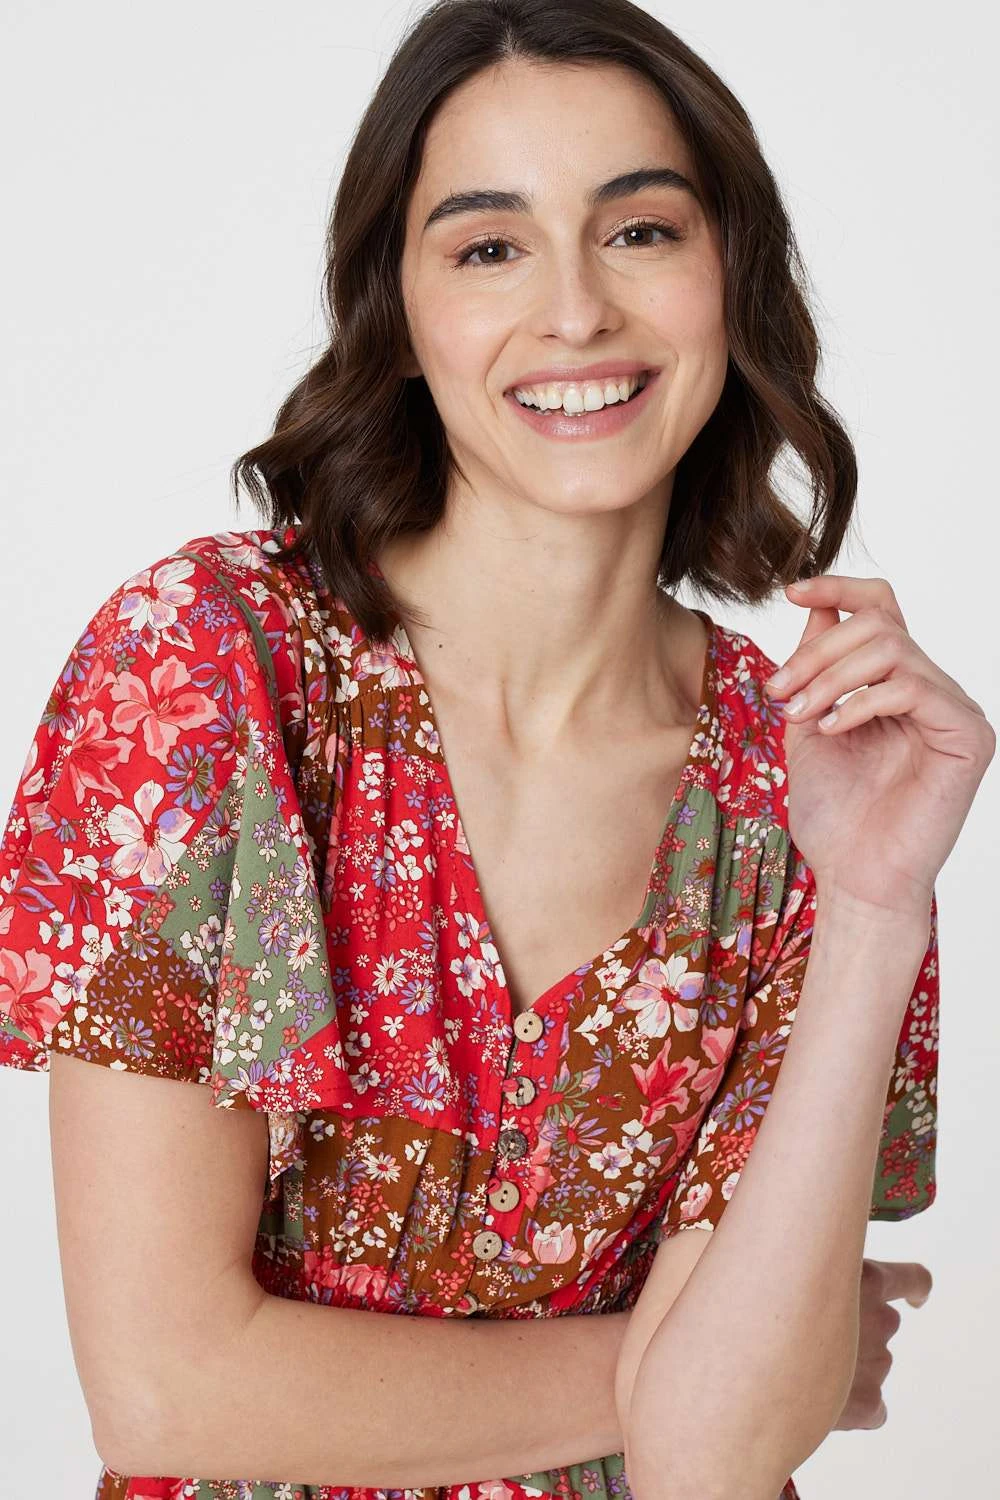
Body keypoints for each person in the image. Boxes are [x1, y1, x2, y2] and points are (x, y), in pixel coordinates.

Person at [0, 2, 992, 1498]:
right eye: (488, 247)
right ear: (398, 313)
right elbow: (165, 1388)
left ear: (734, 276)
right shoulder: (211, 667)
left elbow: (716, 1461)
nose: (576, 312)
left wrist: (872, 902)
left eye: (640, 231)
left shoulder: (805, 774)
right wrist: (685, 1363)